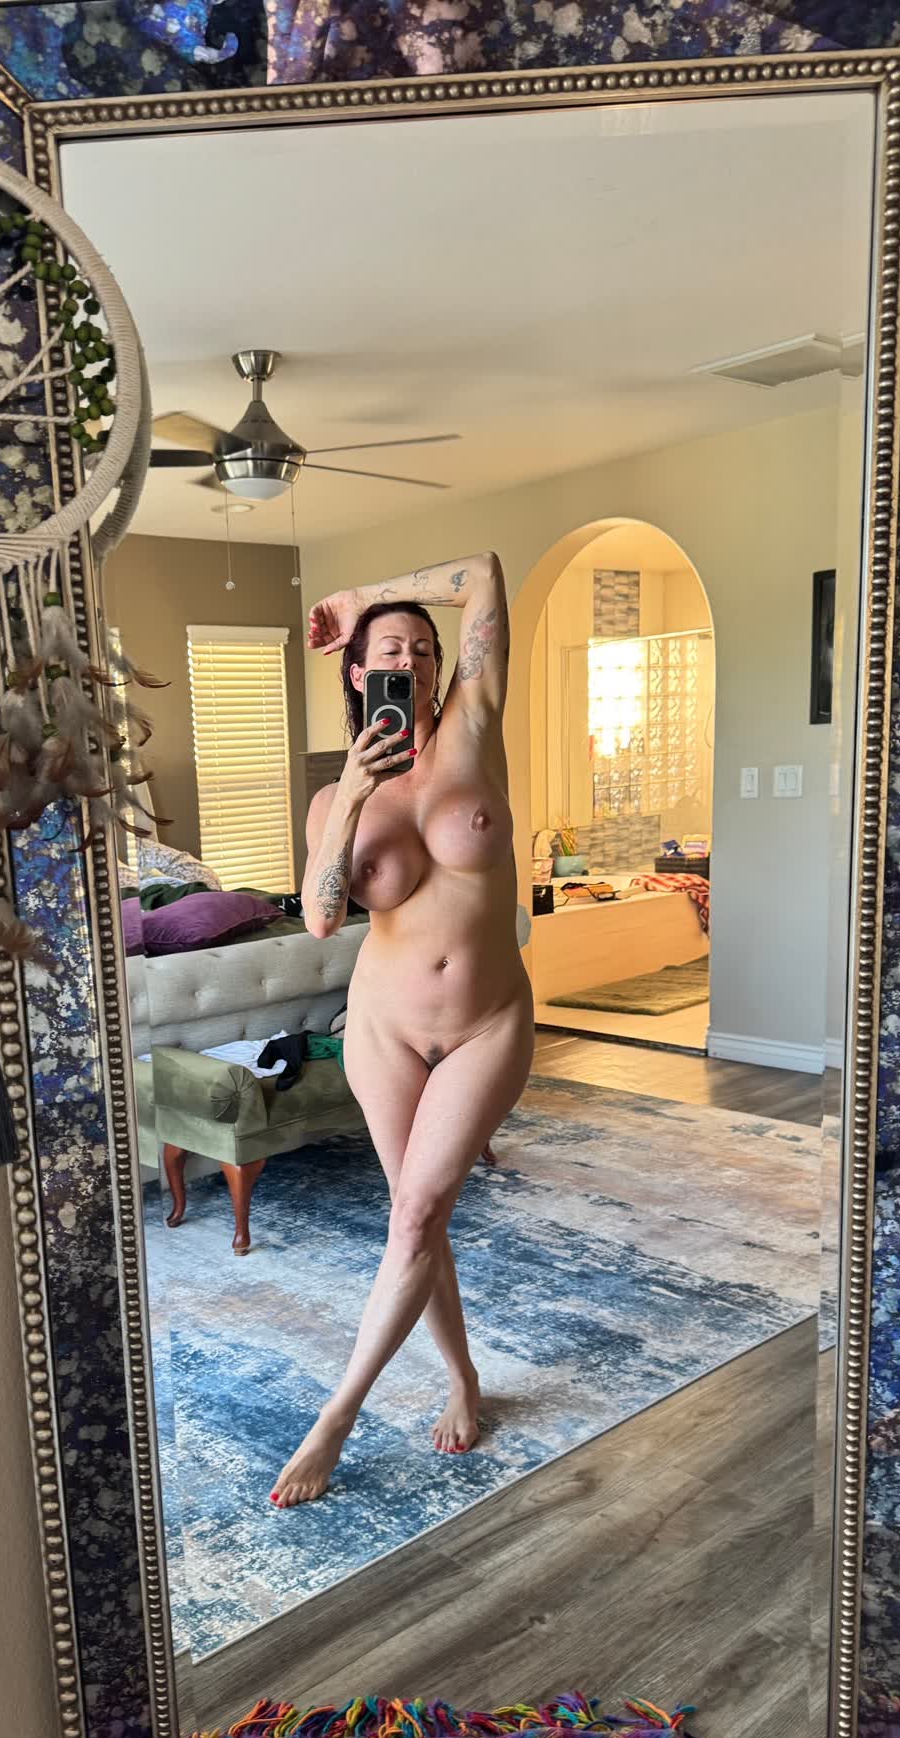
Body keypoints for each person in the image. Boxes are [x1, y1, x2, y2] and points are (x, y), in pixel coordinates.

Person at [270, 551, 534, 1508]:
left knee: (419, 1213)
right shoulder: (331, 797)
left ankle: (336, 1417)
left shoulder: (472, 727)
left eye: (423, 650)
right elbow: (320, 918)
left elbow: (485, 574)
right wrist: (349, 794)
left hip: (486, 1023)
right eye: (388, 651)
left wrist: (361, 598)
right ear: (355, 674)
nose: (411, 663)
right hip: (382, 1027)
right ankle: (462, 1376)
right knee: (415, 1219)